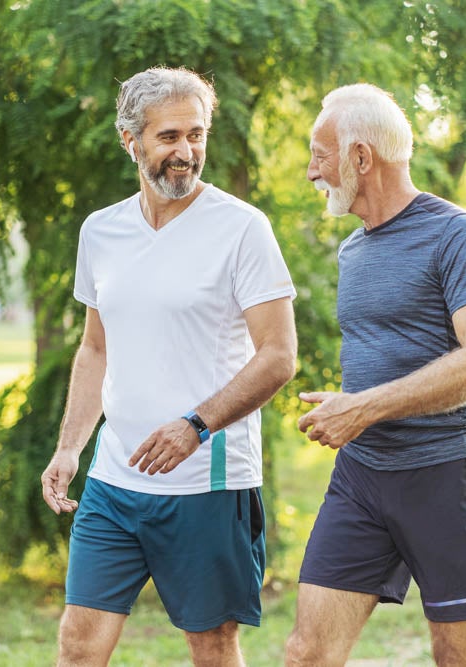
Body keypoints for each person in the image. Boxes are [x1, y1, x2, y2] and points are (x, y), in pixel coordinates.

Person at [40, 66, 297, 667]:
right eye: (169, 137)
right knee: (78, 644)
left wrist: (196, 425)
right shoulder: (101, 231)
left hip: (207, 483)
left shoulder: (242, 229)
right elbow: (96, 349)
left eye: (197, 136)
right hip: (114, 481)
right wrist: (70, 447)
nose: (186, 153)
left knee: (211, 646)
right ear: (131, 141)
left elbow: (279, 355)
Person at [285, 83, 466, 666]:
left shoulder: (455, 234)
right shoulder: (352, 251)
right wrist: (356, 411)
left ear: (361, 157)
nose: (312, 172)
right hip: (362, 476)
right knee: (307, 653)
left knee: (457, 660)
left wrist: (363, 406)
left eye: (320, 154)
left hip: (446, 473)